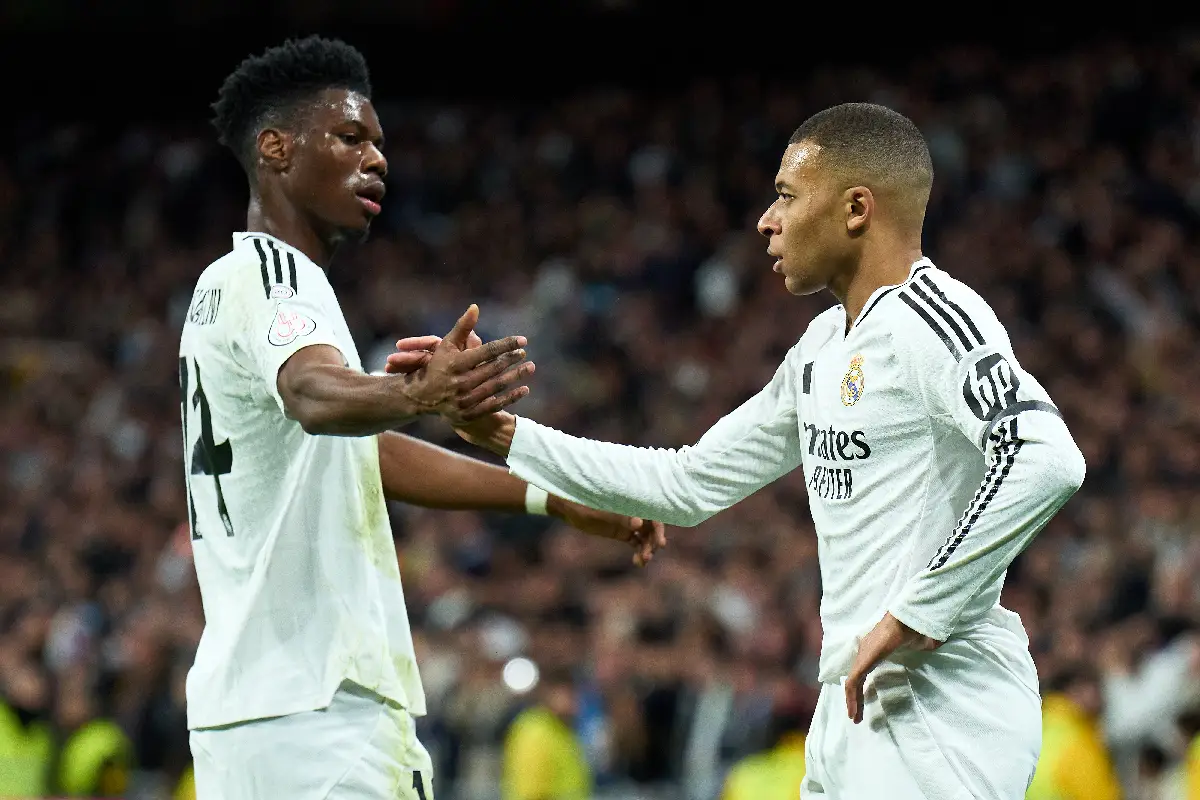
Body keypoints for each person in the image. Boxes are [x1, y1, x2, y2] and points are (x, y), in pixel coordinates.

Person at [428, 103, 1087, 798]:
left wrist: (919, 609)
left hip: (941, 707)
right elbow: (687, 484)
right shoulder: (821, 348)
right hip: (852, 697)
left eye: (786, 196)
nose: (766, 222)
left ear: (856, 208)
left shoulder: (934, 319)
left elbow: (1045, 457)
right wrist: (503, 434)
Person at [180, 35, 665, 800]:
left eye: (379, 144)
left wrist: (548, 496)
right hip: (325, 716)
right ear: (275, 148)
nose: (376, 160)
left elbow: (358, 452)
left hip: (250, 719)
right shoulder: (278, 276)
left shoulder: (227, 288)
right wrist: (418, 395)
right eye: (351, 138)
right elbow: (314, 395)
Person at [1025, 665, 1122, 800]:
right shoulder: (1080, 740)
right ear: (1076, 690)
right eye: (1095, 687)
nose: (1101, 696)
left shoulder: (1039, 728)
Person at [500, 668, 592, 800]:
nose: (575, 703)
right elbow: (532, 794)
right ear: (549, 694)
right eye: (569, 695)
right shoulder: (534, 732)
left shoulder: (562, 730)